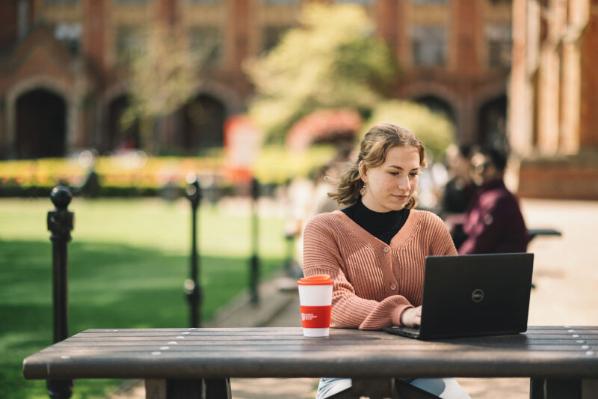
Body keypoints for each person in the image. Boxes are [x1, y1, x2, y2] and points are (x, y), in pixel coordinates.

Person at [302, 123, 470, 399]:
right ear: (365, 171)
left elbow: (458, 293)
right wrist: (400, 314)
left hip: (424, 369)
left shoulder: (430, 226)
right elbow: (333, 303)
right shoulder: (323, 230)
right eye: (394, 172)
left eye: (413, 174)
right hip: (346, 369)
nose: (406, 186)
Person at [458, 147, 528, 255]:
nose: (479, 171)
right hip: (487, 261)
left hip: (498, 266)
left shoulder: (499, 200)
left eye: (485, 167)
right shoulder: (484, 194)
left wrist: (453, 259)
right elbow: (471, 222)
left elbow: (481, 241)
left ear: (499, 169)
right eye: (474, 167)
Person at [440, 144, 476, 248]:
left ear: (467, 160)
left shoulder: (478, 186)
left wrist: (455, 220)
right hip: (454, 237)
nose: (451, 164)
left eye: (455, 160)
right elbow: (444, 213)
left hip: (473, 238)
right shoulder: (450, 186)